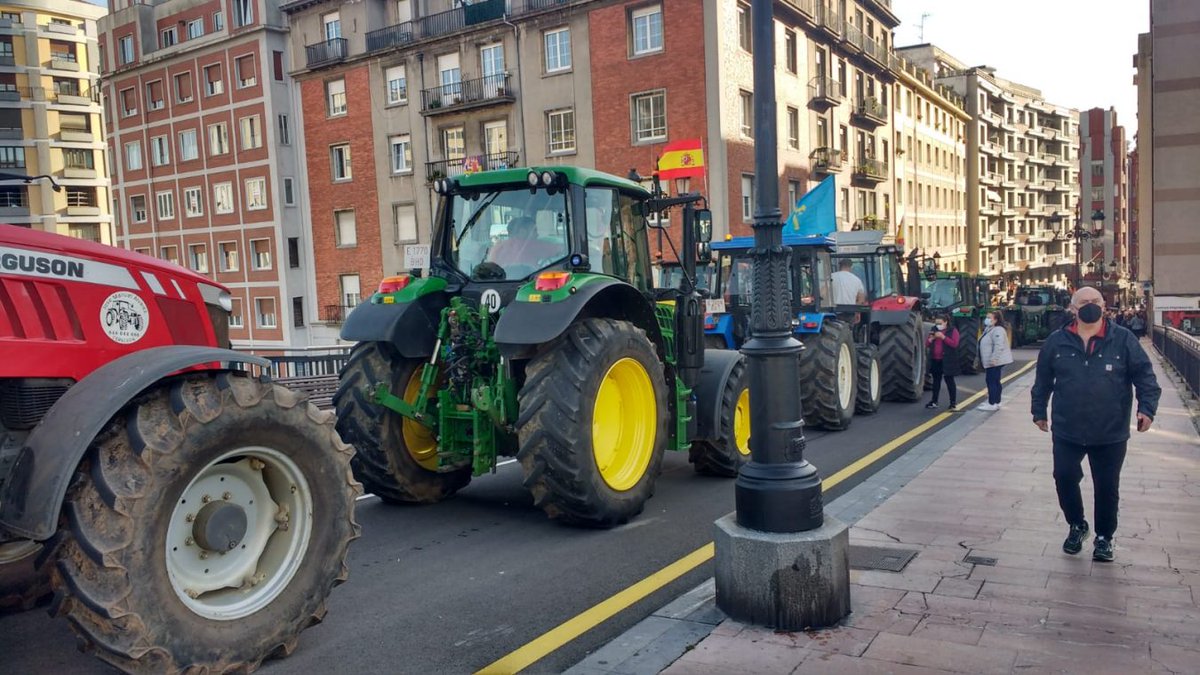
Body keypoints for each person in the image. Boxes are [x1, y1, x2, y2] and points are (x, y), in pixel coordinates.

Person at [1031, 286, 1161, 563]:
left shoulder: (1123, 339)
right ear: (1072, 309)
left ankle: (1104, 537)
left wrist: (1146, 410)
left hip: (1110, 431)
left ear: (1104, 305)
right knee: (1064, 477)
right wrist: (1038, 410)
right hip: (1068, 428)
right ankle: (1077, 525)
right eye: (1083, 302)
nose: (1090, 306)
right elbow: (1042, 380)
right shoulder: (1056, 341)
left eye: (1095, 302)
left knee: (1106, 487)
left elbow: (1146, 378)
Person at [488, 216, 561, 268]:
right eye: (534, 230)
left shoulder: (496, 248)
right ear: (522, 232)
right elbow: (562, 249)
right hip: (528, 284)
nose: (537, 234)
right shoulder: (530, 245)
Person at [976, 310, 1013, 411]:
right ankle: (996, 402)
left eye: (989, 318)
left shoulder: (998, 330)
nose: (986, 320)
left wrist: (994, 359)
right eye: (986, 317)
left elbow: (999, 345)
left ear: (996, 320)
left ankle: (992, 403)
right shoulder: (990, 328)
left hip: (994, 361)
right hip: (991, 360)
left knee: (991, 381)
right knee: (995, 381)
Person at [925, 313, 961, 411]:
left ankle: (953, 402)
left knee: (949, 381)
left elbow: (954, 344)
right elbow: (927, 344)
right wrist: (931, 339)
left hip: (948, 359)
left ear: (946, 322)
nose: (938, 325)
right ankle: (934, 401)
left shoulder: (953, 330)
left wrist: (943, 337)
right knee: (936, 381)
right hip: (936, 359)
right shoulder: (933, 329)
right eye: (936, 323)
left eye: (940, 323)